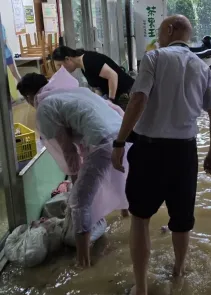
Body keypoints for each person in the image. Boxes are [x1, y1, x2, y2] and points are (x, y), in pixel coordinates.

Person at [111, 15, 211, 295]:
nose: (159, 37)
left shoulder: (154, 58)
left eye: (161, 31)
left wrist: (120, 142)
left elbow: (137, 101)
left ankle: (141, 292)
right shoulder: (202, 66)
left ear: (170, 30)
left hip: (149, 151)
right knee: (182, 222)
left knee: (140, 219)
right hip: (185, 154)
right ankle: (179, 271)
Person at [16, 68, 130, 267]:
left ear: (28, 97)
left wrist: (76, 184)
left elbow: (68, 150)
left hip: (103, 142)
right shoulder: (68, 92)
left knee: (78, 203)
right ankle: (126, 217)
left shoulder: (45, 107)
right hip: (123, 136)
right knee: (119, 179)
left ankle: (82, 262)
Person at [52, 46, 134, 107]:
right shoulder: (83, 67)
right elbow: (98, 87)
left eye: (60, 65)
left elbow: (113, 76)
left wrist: (110, 100)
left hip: (128, 94)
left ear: (67, 59)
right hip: (119, 96)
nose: (60, 69)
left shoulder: (89, 60)